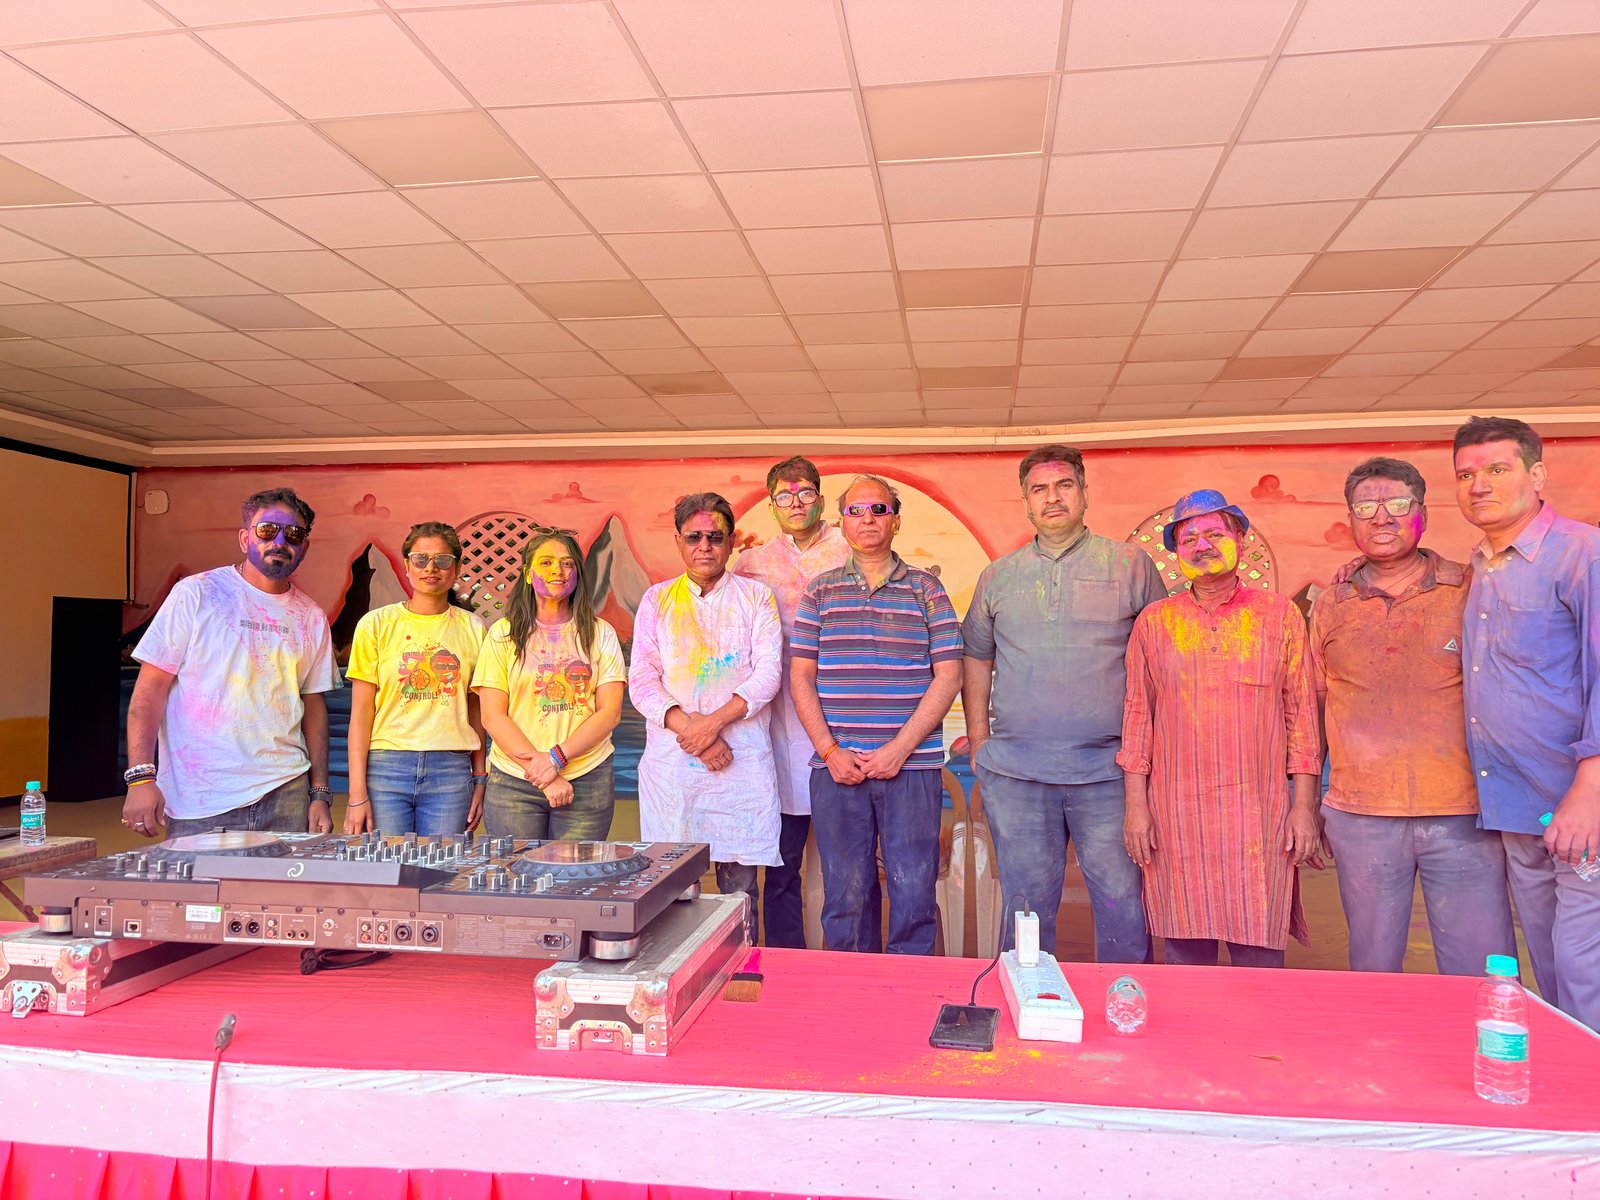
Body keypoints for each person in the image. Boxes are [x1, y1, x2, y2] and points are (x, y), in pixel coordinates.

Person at [1309, 458, 1515, 975]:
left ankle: (1478, 1054)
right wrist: (1308, 802)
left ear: (1422, 513)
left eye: (1398, 505)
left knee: (1481, 969)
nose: (1382, 518)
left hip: (1463, 813)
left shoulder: (1470, 590)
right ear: (1351, 518)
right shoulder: (1331, 603)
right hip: (1360, 815)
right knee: (1374, 966)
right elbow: (1310, 708)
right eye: (1366, 507)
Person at [963, 445, 1165, 961]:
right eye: (1039, 489)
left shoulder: (1129, 566)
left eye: (1064, 486)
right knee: (1026, 907)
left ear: (1083, 493)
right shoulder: (999, 576)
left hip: (1110, 773)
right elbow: (976, 659)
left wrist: (1148, 755)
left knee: (1121, 900)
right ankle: (1031, 1001)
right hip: (1018, 774)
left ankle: (1125, 999)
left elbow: (1161, 664)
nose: (1052, 498)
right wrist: (982, 743)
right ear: (1026, 502)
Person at [1119, 489, 1322, 968]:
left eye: (1214, 533)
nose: (1201, 545)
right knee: (1186, 958)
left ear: (1241, 539)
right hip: (1176, 818)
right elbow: (1136, 719)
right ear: (1176, 552)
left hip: (1259, 817)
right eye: (1188, 538)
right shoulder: (1155, 622)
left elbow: (1303, 720)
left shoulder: (1279, 617)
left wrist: (1304, 808)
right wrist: (1136, 809)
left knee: (1260, 957)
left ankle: (1260, 1045)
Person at [1454, 416, 1600, 1030]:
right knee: (1549, 966)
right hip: (1518, 804)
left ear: (1536, 474)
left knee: (1583, 966)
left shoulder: (1581, 554)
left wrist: (1589, 791)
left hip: (1579, 805)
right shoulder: (1482, 565)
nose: (1479, 485)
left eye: (1496, 469)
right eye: (1465, 475)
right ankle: (1572, 1104)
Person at [791, 475, 963, 955]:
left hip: (911, 770)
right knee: (845, 898)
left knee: (913, 894)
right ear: (842, 523)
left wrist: (898, 751)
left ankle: (910, 1002)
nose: (868, 518)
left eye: (880, 510)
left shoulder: (926, 590)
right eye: (857, 510)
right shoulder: (819, 593)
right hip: (836, 769)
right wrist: (829, 751)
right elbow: (801, 678)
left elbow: (948, 676)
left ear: (897, 520)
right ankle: (849, 1003)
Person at [122, 487, 337, 839]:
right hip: (201, 796)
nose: (280, 541)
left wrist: (320, 793)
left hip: (286, 792)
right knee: (201, 896)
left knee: (281, 895)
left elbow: (313, 705)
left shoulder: (310, 617)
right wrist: (141, 777)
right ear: (244, 538)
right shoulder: (197, 594)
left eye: (293, 534)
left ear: (305, 547)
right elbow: (150, 689)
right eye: (267, 530)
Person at [629, 493, 784, 923]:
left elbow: (768, 676)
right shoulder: (656, 600)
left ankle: (741, 977)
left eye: (715, 536)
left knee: (741, 894)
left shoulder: (757, 598)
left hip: (741, 767)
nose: (705, 546)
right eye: (694, 536)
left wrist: (711, 726)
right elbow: (641, 682)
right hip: (675, 770)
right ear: (678, 541)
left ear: (732, 541)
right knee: (673, 893)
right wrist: (696, 735)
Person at [732, 456, 852, 948]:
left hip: (843, 718)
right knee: (781, 862)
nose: (796, 503)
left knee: (850, 864)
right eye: (784, 495)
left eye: (805, 493)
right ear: (772, 504)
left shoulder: (850, 549)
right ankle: (786, 956)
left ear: (821, 498)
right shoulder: (752, 563)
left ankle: (849, 958)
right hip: (775, 726)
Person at [472, 528, 626, 840]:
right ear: (528, 575)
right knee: (516, 881)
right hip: (515, 782)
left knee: (575, 880)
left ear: (578, 575)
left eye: (567, 564)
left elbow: (609, 713)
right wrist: (544, 775)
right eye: (546, 563)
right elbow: (492, 716)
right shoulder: (503, 635)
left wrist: (556, 759)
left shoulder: (601, 634)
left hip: (587, 777)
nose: (557, 570)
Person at [343, 522, 487, 837]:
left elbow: (476, 711)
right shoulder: (376, 625)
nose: (430, 568)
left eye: (443, 560)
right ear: (407, 565)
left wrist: (480, 778)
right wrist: (356, 794)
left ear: (456, 567)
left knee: (444, 871)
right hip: (386, 767)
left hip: (450, 768)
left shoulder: (474, 629)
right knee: (387, 870)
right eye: (420, 559)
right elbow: (362, 714)